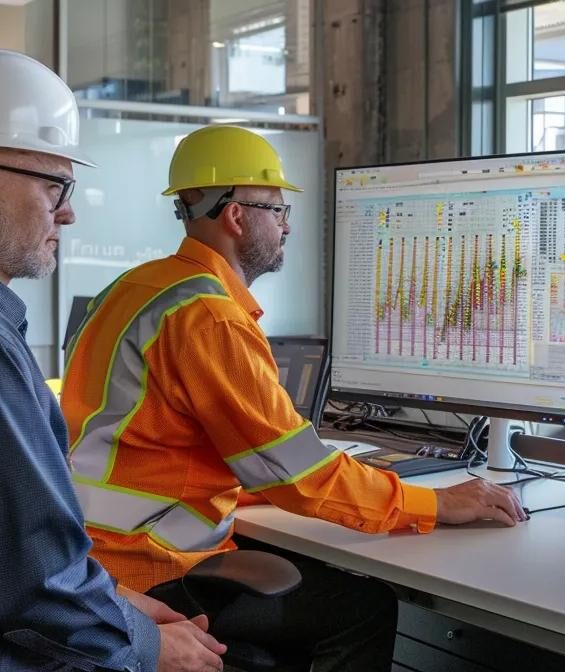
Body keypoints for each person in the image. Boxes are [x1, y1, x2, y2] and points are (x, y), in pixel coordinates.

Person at [61, 124, 526, 671]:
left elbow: (156, 443)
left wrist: (256, 484)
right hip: (151, 570)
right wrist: (436, 503)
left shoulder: (136, 288)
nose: (286, 226)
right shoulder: (209, 318)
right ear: (236, 215)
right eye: (278, 210)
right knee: (363, 607)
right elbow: (296, 474)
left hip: (89, 559)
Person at [0, 50, 226, 672]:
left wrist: (113, 602)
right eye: (54, 185)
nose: (68, 210)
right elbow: (35, 585)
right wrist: (145, 643)